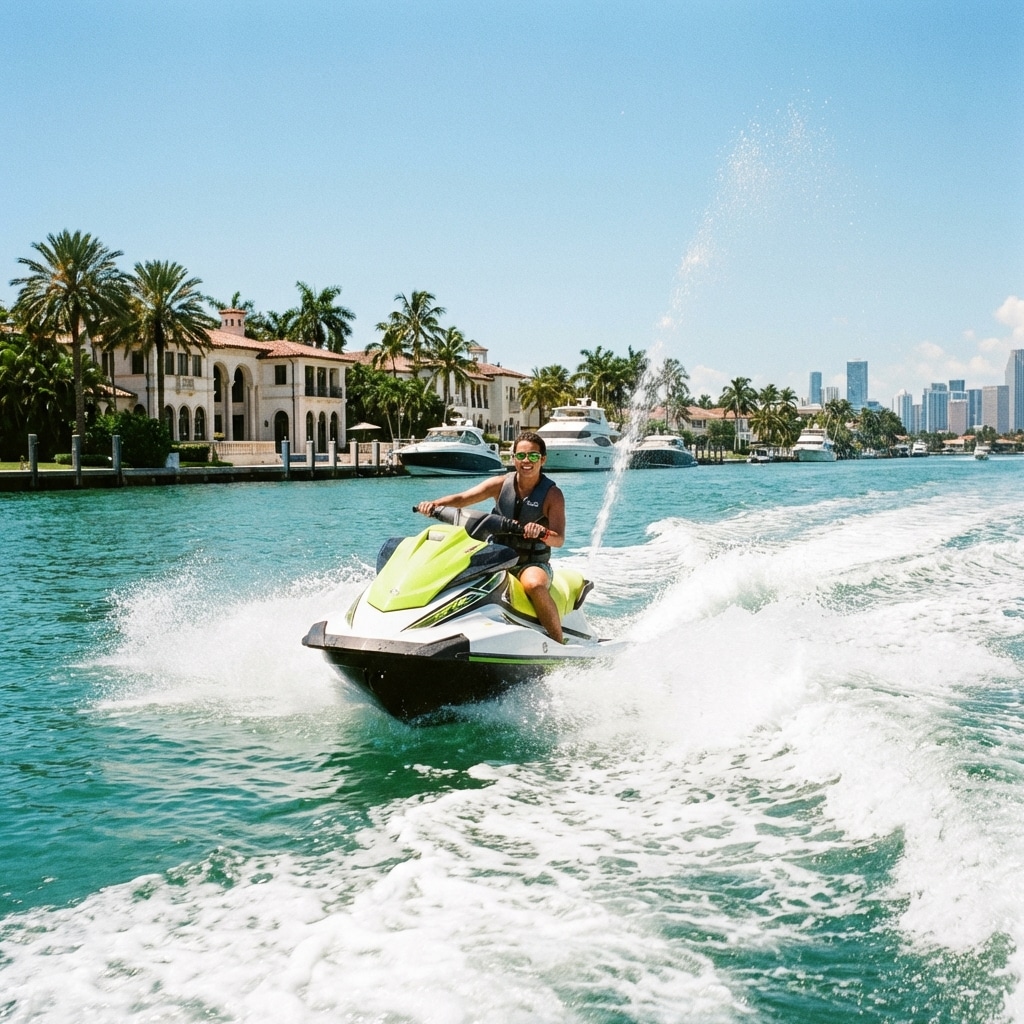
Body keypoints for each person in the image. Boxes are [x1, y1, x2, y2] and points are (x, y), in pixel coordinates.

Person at [415, 431, 567, 643]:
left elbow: (559, 539)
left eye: (533, 456)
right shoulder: (500, 484)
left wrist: (542, 533)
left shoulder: (552, 494)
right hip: (497, 556)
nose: (526, 461)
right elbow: (462, 499)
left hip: (531, 563)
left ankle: (558, 642)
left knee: (533, 585)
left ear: (542, 459)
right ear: (513, 457)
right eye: (521, 456)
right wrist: (434, 504)